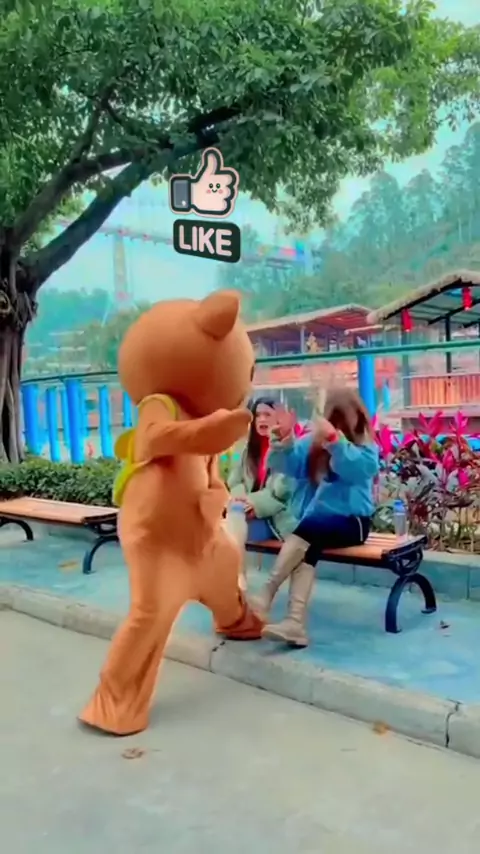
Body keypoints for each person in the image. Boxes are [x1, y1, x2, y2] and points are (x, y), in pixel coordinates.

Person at [78, 290, 264, 737]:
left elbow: (211, 476)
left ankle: (235, 620)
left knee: (225, 568)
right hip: (158, 539)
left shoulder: (205, 422)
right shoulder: (162, 404)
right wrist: (206, 432)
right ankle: (114, 702)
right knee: (151, 614)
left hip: (200, 537)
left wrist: (216, 494)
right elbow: (154, 438)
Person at [251, 387, 380, 648]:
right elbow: (289, 466)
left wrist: (335, 442)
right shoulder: (313, 442)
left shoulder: (364, 446)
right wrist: (283, 441)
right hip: (317, 524)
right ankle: (294, 624)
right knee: (307, 546)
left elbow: (358, 469)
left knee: (308, 531)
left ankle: (267, 593)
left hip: (353, 522)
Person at [225, 396, 294, 590]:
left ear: (279, 418)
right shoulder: (248, 451)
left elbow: (283, 492)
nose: (261, 419)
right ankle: (238, 576)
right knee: (233, 517)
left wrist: (253, 502)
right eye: (257, 415)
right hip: (248, 515)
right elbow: (234, 480)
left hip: (278, 520)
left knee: (232, 521)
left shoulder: (287, 449)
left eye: (267, 415)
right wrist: (241, 498)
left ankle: (237, 576)